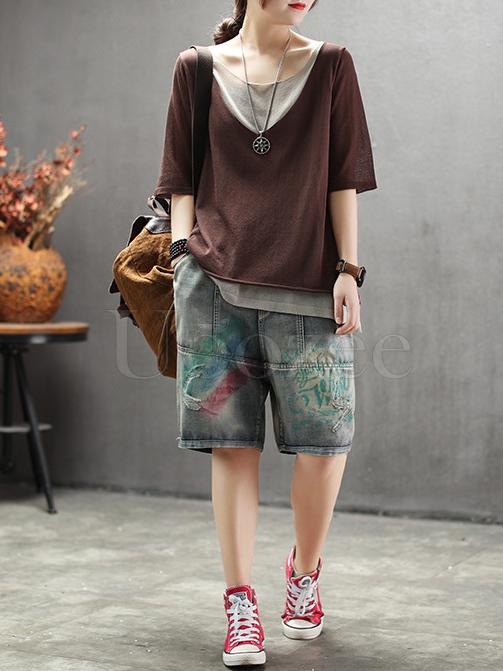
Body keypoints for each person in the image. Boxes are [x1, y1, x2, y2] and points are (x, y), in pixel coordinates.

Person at [150, 0, 377, 666]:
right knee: (230, 447)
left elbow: (343, 176)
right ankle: (240, 601)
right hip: (214, 290)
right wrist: (183, 256)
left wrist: (348, 269)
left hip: (310, 289)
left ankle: (303, 573)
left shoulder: (331, 65)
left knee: (325, 445)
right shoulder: (196, 69)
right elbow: (179, 178)